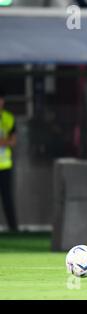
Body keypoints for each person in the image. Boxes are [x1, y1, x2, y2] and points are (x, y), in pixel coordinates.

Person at [0, 89, 18, 232]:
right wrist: (4, 141)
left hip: (5, 165)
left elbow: (13, 141)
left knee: (7, 198)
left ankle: (13, 228)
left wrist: (4, 141)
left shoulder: (8, 118)